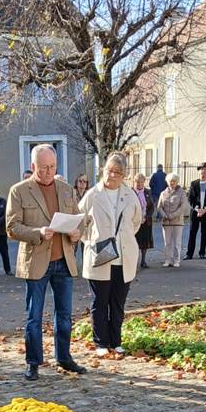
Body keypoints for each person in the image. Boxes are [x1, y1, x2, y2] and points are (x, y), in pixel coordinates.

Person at [6, 143, 85, 380]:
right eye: (43, 168)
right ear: (33, 166)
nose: (48, 172)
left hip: (64, 260)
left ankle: (64, 357)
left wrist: (76, 232)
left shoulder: (65, 189)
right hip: (36, 261)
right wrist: (38, 232)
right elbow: (11, 227)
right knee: (34, 315)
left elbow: (79, 220)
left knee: (64, 315)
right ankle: (33, 362)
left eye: (52, 167)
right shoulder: (18, 190)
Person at [79, 151, 142, 356]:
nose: (112, 175)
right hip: (100, 256)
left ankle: (116, 341)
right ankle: (100, 342)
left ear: (124, 175)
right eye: (109, 170)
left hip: (123, 257)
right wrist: (93, 240)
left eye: (117, 172)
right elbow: (80, 223)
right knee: (99, 302)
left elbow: (136, 222)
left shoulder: (130, 195)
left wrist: (122, 239)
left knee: (117, 303)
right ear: (103, 170)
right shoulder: (93, 194)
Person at [185, 162, 206, 260]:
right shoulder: (194, 184)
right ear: (199, 173)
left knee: (204, 233)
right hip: (196, 213)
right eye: (201, 172)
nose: (203, 174)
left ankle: (202, 253)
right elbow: (190, 198)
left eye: (205, 172)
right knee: (192, 233)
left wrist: (205, 210)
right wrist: (197, 209)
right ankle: (189, 254)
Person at [157, 173, 189, 267]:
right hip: (166, 222)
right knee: (167, 243)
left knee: (177, 243)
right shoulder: (163, 193)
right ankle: (167, 260)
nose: (172, 183)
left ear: (177, 182)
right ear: (167, 182)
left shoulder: (181, 193)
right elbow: (159, 207)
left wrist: (172, 215)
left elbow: (183, 206)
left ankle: (176, 260)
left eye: (174, 181)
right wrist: (164, 215)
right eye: (170, 181)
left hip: (177, 221)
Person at [132, 173, 154, 268]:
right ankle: (133, 262)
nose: (140, 184)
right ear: (134, 182)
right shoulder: (130, 192)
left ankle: (143, 261)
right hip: (134, 222)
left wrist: (146, 217)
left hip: (145, 221)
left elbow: (152, 207)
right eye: (137, 182)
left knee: (145, 242)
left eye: (141, 182)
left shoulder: (147, 192)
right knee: (134, 242)